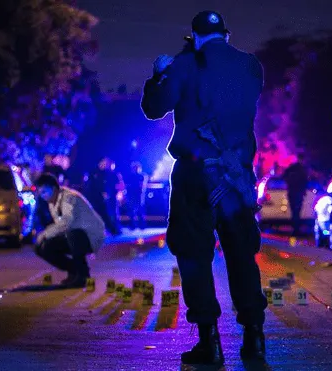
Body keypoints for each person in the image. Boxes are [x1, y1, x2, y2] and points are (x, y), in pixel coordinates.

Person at [141, 10, 267, 366]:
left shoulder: (183, 64)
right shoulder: (251, 66)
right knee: (242, 254)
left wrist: (160, 74)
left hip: (196, 175)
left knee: (195, 255)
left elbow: (154, 108)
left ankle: (209, 342)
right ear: (226, 36)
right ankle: (254, 338)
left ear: (194, 36)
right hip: (237, 175)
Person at [33, 173, 106, 287]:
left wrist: (45, 234)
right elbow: (59, 226)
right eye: (40, 193)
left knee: (73, 234)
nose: (43, 196)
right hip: (74, 235)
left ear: (54, 188)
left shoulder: (69, 197)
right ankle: (74, 270)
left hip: (91, 236)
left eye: (44, 192)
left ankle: (83, 275)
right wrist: (43, 237)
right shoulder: (52, 202)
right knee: (43, 247)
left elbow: (67, 222)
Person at [282, 153, 309, 236]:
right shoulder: (302, 169)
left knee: (294, 211)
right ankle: (296, 229)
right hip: (298, 192)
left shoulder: (292, 168)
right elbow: (305, 181)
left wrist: (289, 184)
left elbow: (284, 176)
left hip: (292, 191)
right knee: (296, 211)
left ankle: (295, 229)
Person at [123, 161, 147, 230]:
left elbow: (141, 186)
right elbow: (127, 185)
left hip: (138, 195)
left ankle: (141, 225)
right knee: (131, 211)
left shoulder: (142, 175)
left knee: (139, 210)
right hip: (131, 194)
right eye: (134, 168)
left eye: (137, 167)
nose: (136, 169)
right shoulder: (130, 176)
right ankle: (133, 225)